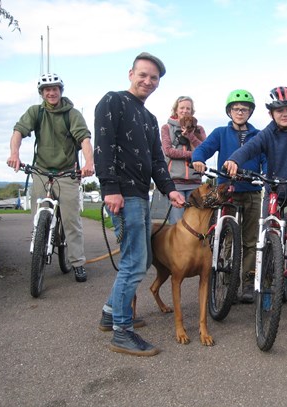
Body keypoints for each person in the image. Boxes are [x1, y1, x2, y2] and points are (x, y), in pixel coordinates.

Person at [94, 52, 185, 356]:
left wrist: (169, 189)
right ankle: (122, 331)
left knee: (142, 261)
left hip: (140, 194)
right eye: (143, 74)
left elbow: (158, 160)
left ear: (158, 83)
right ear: (130, 73)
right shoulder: (112, 101)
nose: (148, 81)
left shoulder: (148, 118)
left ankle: (110, 313)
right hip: (122, 194)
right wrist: (110, 188)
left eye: (154, 78)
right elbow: (103, 146)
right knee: (134, 263)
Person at [223, 86, 287, 283]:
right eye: (279, 110)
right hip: (273, 191)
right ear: (271, 113)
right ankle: (265, 278)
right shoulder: (267, 133)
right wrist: (234, 160)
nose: (285, 114)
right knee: (263, 233)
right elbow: (249, 148)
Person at [6, 73, 94, 283]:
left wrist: (89, 163)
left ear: (60, 91)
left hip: (66, 172)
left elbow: (84, 138)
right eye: (47, 90)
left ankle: (78, 263)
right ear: (42, 93)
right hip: (41, 170)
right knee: (38, 218)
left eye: (55, 89)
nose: (51, 92)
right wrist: (14, 154)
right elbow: (19, 131)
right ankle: (39, 252)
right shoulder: (36, 112)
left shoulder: (71, 114)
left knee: (72, 221)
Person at [192, 89, 266, 303]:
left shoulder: (258, 135)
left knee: (251, 241)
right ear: (229, 111)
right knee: (229, 238)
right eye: (236, 108)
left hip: (251, 191)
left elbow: (266, 159)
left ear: (250, 112)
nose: (240, 112)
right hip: (228, 192)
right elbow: (204, 149)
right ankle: (227, 281)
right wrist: (198, 159)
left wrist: (267, 174)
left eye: (244, 109)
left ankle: (248, 283)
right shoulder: (220, 133)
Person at [161, 96, 207, 224]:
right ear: (176, 109)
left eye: (188, 108)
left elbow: (205, 150)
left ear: (192, 111)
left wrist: (190, 136)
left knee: (194, 223)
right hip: (175, 183)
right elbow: (168, 151)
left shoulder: (199, 129)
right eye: (182, 108)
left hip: (195, 182)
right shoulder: (167, 128)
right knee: (176, 222)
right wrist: (192, 154)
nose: (185, 111)